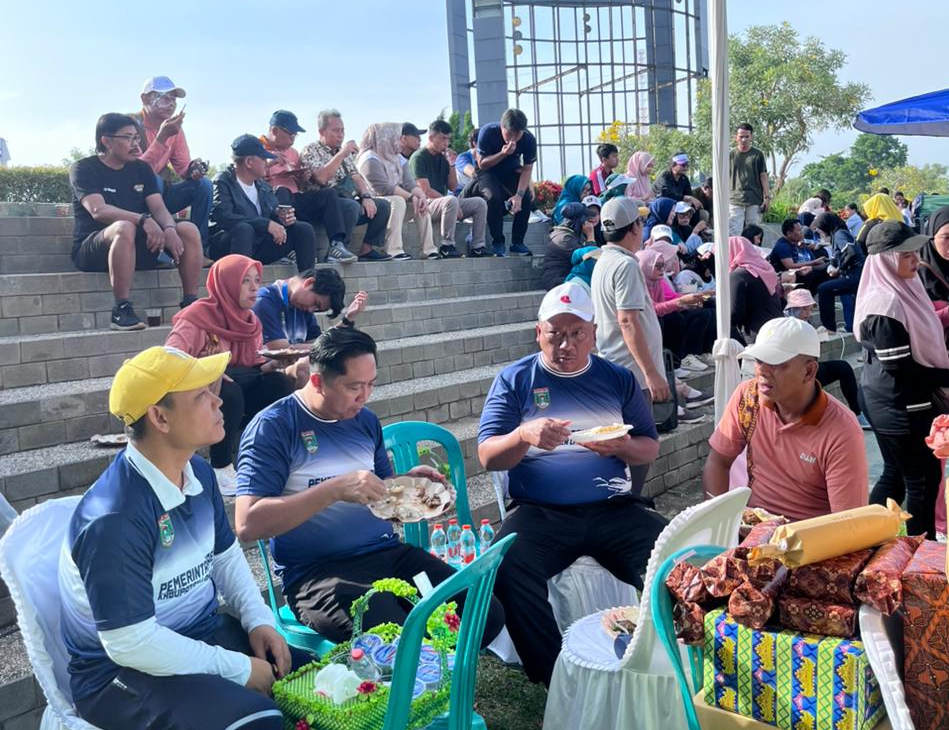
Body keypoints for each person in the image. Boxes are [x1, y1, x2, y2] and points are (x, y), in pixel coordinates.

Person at [58, 346, 335, 730]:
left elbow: (225, 557)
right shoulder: (114, 515)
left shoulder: (198, 472)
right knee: (254, 725)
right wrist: (236, 668)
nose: (220, 400)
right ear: (159, 417)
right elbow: (129, 641)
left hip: (189, 636)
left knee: (304, 677)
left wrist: (259, 621)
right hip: (115, 674)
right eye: (203, 395)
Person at [234, 326, 505, 645]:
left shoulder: (364, 421)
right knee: (394, 635)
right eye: (354, 387)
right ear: (317, 381)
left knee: (483, 611)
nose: (364, 396)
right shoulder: (274, 427)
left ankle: (438, 670)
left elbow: (381, 492)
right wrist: (334, 489)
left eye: (371, 384)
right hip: (318, 574)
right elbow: (247, 524)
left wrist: (411, 486)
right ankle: (416, 672)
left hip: (387, 553)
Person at [477, 282, 663, 685]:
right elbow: (488, 456)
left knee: (672, 559)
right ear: (537, 332)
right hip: (540, 512)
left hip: (614, 507)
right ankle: (555, 676)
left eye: (577, 333)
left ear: (594, 333)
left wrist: (623, 445)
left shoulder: (618, 379)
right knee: (504, 567)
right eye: (555, 333)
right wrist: (522, 435)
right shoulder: (515, 379)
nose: (566, 345)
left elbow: (649, 447)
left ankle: (661, 657)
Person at [854, 220, 949, 536]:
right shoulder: (884, 303)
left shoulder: (904, 288)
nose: (915, 260)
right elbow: (902, 369)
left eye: (915, 252)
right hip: (897, 402)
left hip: (896, 396)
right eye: (905, 255)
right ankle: (920, 550)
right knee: (922, 481)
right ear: (885, 260)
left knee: (898, 475)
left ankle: (870, 539)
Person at [704, 317, 868, 519]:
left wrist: (784, 535)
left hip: (809, 536)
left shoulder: (842, 431)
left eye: (776, 364)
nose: (762, 371)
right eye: (758, 361)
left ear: (808, 371)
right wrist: (720, 519)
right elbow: (718, 461)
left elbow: (846, 522)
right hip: (750, 527)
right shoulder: (748, 397)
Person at [166, 256, 299, 496]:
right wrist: (208, 371)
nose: (254, 288)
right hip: (199, 392)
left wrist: (274, 364)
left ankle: (261, 450)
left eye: (256, 280)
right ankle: (221, 465)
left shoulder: (251, 321)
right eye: (245, 281)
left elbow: (252, 366)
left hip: (238, 385)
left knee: (279, 383)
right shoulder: (196, 316)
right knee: (229, 389)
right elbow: (171, 358)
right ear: (226, 283)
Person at [70, 112, 202, 330]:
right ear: (106, 141)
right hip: (94, 249)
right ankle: (121, 310)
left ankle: (190, 305)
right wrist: (143, 220)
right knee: (124, 227)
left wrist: (169, 228)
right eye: (128, 137)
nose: (135, 144)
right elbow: (98, 210)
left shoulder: (141, 169)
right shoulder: (84, 168)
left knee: (188, 229)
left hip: (136, 247)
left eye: (137, 137)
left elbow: (158, 207)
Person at [591, 197, 670, 402]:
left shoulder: (604, 260)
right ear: (634, 227)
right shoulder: (626, 265)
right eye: (640, 221)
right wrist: (650, 372)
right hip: (633, 374)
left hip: (618, 368)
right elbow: (627, 321)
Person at [260, 109, 356, 264]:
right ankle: (285, 247)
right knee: (282, 191)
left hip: (296, 197)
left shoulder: (293, 153)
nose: (293, 139)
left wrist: (303, 178)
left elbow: (300, 185)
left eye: (295, 135)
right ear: (275, 131)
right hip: (272, 199)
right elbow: (248, 178)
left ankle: (336, 244)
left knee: (328, 194)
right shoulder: (258, 149)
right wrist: (270, 164)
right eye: (290, 134)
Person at [209, 135, 316, 271]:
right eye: (263, 159)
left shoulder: (262, 185)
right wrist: (266, 224)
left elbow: (272, 215)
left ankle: (308, 280)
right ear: (249, 162)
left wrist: (283, 219)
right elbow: (224, 217)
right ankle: (241, 281)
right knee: (244, 229)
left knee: (303, 229)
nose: (267, 162)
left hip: (258, 244)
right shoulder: (222, 181)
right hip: (228, 245)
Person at [137, 76, 215, 257]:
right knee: (154, 179)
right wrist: (162, 137)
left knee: (204, 184)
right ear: (145, 99)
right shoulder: (130, 125)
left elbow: (183, 168)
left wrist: (193, 170)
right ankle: (156, 248)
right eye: (164, 98)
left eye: (173, 99)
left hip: (161, 196)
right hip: (134, 195)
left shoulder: (174, 129)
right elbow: (135, 172)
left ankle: (199, 249)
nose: (171, 104)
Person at [300, 109, 391, 261]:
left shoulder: (345, 154)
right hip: (325, 204)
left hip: (346, 196)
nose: (340, 135)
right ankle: (338, 249)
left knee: (382, 206)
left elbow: (356, 177)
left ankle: (366, 250)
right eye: (336, 130)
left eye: (342, 130)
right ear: (322, 132)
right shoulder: (311, 150)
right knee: (351, 206)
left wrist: (366, 196)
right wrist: (341, 154)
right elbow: (321, 178)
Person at [409, 118, 490, 257]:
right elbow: (425, 190)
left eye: (448, 139)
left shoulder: (443, 158)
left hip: (445, 203)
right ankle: (447, 245)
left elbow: (453, 186)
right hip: (425, 204)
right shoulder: (419, 157)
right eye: (443, 138)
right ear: (431, 138)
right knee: (451, 200)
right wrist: (453, 203)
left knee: (479, 203)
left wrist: (451, 164)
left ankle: (478, 246)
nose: (446, 143)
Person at [356, 122, 431, 260]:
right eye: (397, 137)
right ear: (386, 137)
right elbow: (384, 188)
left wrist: (420, 196)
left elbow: (410, 183)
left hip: (395, 200)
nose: (400, 141)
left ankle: (429, 250)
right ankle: (393, 250)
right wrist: (410, 197)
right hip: (373, 203)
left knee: (420, 203)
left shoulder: (398, 158)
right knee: (399, 201)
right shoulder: (369, 158)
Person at [784, 288, 861, 414]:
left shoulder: (803, 322)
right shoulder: (788, 324)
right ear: (793, 308)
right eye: (804, 309)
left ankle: (857, 412)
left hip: (810, 367)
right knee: (840, 369)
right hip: (798, 372)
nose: (808, 313)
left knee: (844, 368)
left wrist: (818, 336)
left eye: (810, 309)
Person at [637, 250, 715, 375]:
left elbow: (672, 297)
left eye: (663, 265)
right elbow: (653, 309)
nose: (662, 269)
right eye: (657, 266)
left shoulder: (658, 280)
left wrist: (695, 298)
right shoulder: (639, 283)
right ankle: (676, 362)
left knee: (706, 311)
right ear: (646, 266)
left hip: (660, 316)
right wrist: (682, 301)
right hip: (644, 322)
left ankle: (696, 354)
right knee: (674, 319)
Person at [473, 107, 538, 256]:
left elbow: (527, 169)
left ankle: (518, 242)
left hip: (511, 170)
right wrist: (503, 153)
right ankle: (498, 241)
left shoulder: (528, 139)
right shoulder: (487, 132)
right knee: (492, 197)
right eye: (509, 134)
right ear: (502, 127)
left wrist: (519, 195)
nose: (513, 139)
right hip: (488, 170)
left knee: (526, 197)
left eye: (518, 134)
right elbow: (482, 163)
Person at [254, 266, 368, 350]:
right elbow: (281, 350)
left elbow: (318, 341)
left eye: (316, 309)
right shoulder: (264, 301)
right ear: (309, 283)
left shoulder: (301, 305)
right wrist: (334, 345)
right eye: (315, 303)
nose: (310, 310)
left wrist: (347, 318)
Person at [811, 210, 864, 333]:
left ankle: (829, 327)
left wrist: (839, 269)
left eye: (820, 229)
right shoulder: (838, 234)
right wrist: (813, 268)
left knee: (824, 289)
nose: (820, 232)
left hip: (854, 275)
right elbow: (837, 258)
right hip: (854, 274)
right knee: (826, 289)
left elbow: (851, 252)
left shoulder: (840, 234)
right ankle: (832, 326)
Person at [728, 235, 783, 344]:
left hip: (758, 333)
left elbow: (734, 313)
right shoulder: (764, 268)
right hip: (777, 326)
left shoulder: (738, 275)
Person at [769, 217, 829, 293]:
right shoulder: (783, 246)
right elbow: (790, 266)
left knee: (823, 271)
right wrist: (815, 262)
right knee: (811, 274)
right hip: (785, 278)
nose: (801, 233)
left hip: (797, 273)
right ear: (789, 233)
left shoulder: (795, 243)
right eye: (799, 230)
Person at [729, 122, 770, 233]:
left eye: (746, 136)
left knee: (753, 232)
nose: (744, 139)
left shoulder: (758, 155)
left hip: (754, 199)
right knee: (734, 231)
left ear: (751, 137)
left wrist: (767, 197)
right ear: (736, 137)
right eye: (741, 136)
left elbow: (763, 175)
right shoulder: (730, 155)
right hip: (734, 198)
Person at [542, 202, 589, 289]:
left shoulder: (570, 234)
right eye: (586, 220)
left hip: (567, 278)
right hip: (557, 281)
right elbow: (588, 259)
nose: (588, 223)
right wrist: (591, 236)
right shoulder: (564, 238)